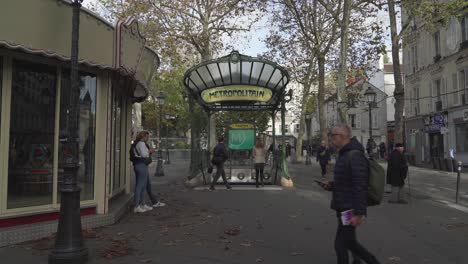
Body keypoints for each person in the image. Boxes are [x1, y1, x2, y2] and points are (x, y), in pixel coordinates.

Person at [320, 124, 381, 264]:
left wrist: (359, 213)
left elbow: (360, 186)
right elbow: (345, 183)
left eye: (333, 136)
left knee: (340, 245)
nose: (331, 139)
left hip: (349, 208)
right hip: (344, 206)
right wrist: (330, 186)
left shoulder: (354, 156)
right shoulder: (344, 154)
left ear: (343, 137)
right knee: (350, 243)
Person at [132, 131, 166, 213]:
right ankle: (137, 206)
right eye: (147, 137)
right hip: (141, 165)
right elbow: (144, 155)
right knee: (140, 186)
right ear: (143, 137)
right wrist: (150, 151)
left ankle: (142, 204)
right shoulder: (141, 144)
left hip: (139, 165)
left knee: (143, 186)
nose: (148, 138)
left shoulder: (138, 144)